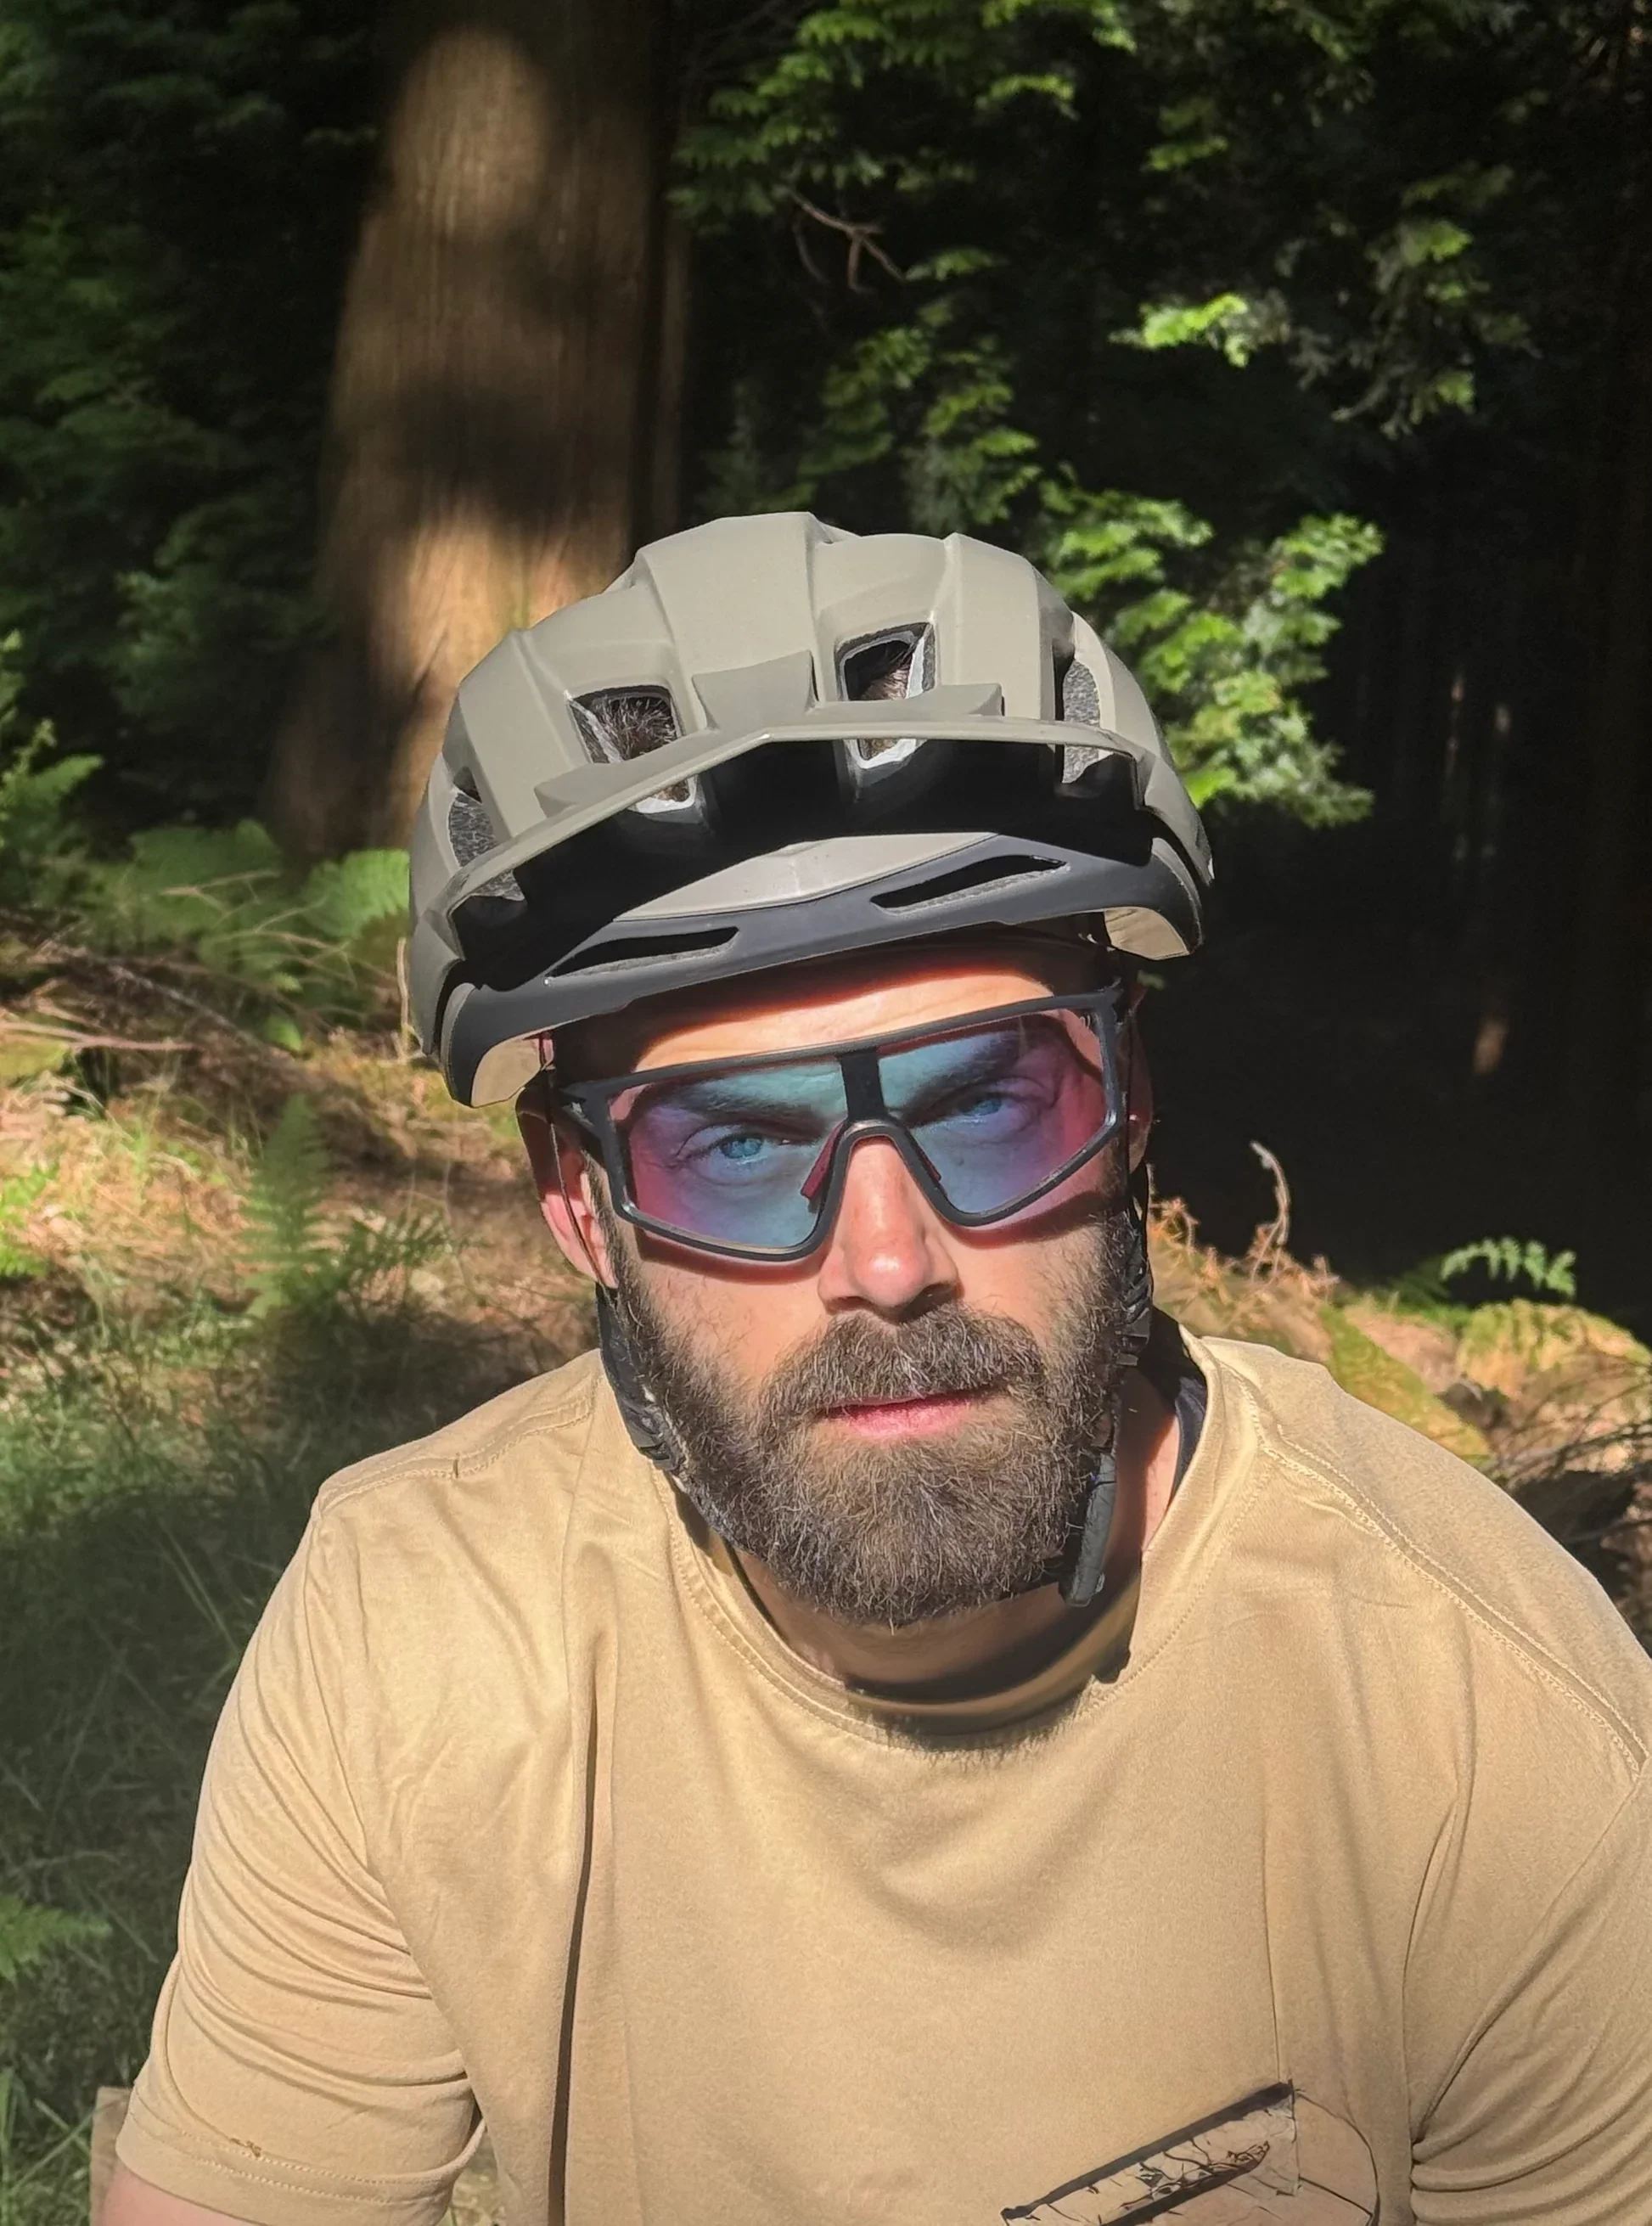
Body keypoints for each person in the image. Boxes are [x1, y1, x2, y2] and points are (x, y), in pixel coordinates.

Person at [108, 515, 1652, 2226]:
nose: (890, 1262)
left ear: (1128, 1104)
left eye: (989, 1099)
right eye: (734, 1147)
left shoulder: (1487, 1729)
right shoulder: (416, 1644)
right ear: (580, 1205)